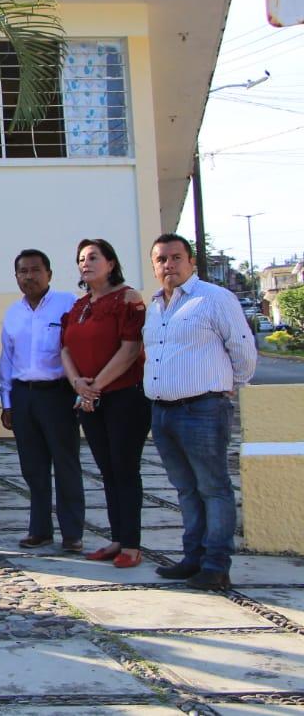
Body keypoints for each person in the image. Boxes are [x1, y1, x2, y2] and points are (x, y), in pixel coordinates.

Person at [144, 233, 256, 590]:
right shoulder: (155, 306)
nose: (169, 265)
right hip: (163, 412)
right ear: (153, 266)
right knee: (185, 489)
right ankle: (193, 557)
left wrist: (228, 384)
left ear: (191, 262)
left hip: (202, 409)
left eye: (176, 257)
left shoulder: (214, 298)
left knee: (213, 488)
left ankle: (216, 565)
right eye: (161, 259)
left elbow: (243, 349)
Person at [60, 238, 149, 568]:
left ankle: (132, 545)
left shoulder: (127, 299)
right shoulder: (79, 306)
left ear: (111, 263)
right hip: (89, 399)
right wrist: (77, 384)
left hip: (124, 397)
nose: (85, 263)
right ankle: (116, 538)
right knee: (107, 471)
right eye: (81, 258)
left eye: (93, 257)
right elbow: (65, 348)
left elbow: (130, 349)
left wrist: (95, 387)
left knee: (125, 470)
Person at [0, 249, 85, 552]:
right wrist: (6, 401)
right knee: (33, 467)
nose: (29, 276)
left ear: (49, 273)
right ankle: (40, 530)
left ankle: (72, 533)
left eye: (35, 270)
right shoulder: (13, 313)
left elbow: (78, 348)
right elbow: (7, 359)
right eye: (23, 271)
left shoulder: (68, 304)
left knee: (66, 463)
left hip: (58, 394)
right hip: (24, 395)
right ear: (16, 276)